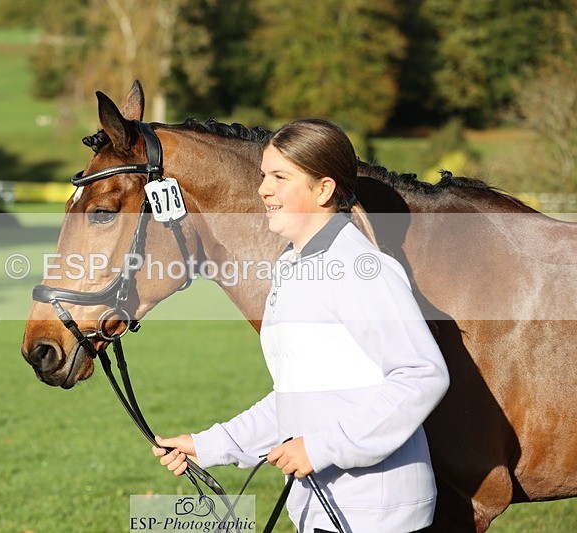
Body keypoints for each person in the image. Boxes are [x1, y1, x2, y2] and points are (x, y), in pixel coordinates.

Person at [153, 119, 450, 533]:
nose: (263, 189)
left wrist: (323, 448)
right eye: (263, 176)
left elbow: (422, 376)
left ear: (324, 189)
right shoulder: (292, 269)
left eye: (280, 176)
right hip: (319, 507)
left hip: (375, 514)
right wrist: (209, 446)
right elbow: (296, 398)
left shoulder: (360, 271)